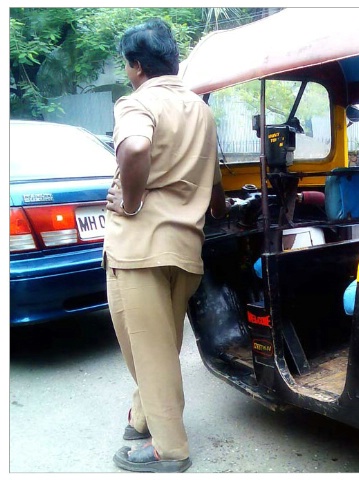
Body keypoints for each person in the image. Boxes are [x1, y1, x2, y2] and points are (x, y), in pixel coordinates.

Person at [103, 18, 227, 473]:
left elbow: (134, 149)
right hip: (185, 252)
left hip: (139, 252)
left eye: (127, 65)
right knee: (161, 343)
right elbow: (216, 189)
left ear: (137, 66)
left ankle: (168, 448)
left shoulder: (137, 103)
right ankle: (141, 418)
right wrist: (212, 211)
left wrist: (133, 203)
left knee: (147, 350)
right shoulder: (202, 111)